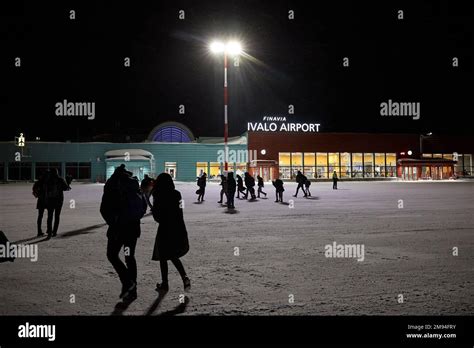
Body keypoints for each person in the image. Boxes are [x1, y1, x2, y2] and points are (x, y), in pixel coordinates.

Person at [100, 164, 146, 301]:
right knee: (129, 257)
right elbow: (142, 207)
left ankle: (127, 282)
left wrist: (113, 221)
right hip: (132, 229)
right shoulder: (133, 184)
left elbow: (104, 208)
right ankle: (132, 288)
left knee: (112, 255)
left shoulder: (113, 185)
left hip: (118, 229)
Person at [152, 173, 191, 292]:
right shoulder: (176, 194)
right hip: (177, 227)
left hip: (165, 229)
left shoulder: (159, 195)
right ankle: (184, 277)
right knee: (173, 255)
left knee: (164, 256)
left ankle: (165, 283)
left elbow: (158, 218)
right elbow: (180, 211)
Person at [44, 168, 70, 238]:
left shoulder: (48, 180)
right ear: (57, 173)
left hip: (50, 200)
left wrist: (46, 199)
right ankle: (54, 232)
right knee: (57, 216)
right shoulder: (60, 179)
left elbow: (46, 191)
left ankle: (49, 232)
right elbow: (66, 188)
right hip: (59, 200)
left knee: (49, 217)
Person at [32, 171, 49, 237]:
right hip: (47, 200)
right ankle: (48, 229)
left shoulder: (38, 182)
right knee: (49, 215)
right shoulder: (48, 182)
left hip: (41, 200)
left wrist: (37, 195)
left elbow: (34, 191)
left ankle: (39, 231)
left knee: (40, 216)